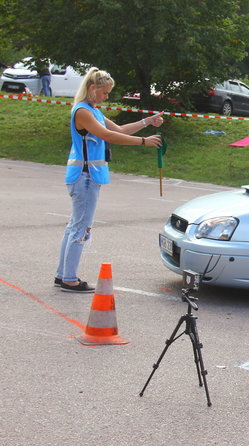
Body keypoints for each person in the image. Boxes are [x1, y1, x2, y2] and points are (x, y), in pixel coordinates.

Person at [55, 67, 164, 292]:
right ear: (92, 89)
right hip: (84, 177)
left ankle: (63, 275)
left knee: (74, 226)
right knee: (81, 228)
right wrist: (143, 142)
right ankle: (69, 278)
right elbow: (107, 136)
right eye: (104, 93)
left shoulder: (94, 111)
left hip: (87, 176)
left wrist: (147, 121)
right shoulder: (83, 111)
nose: (106, 97)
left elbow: (120, 129)